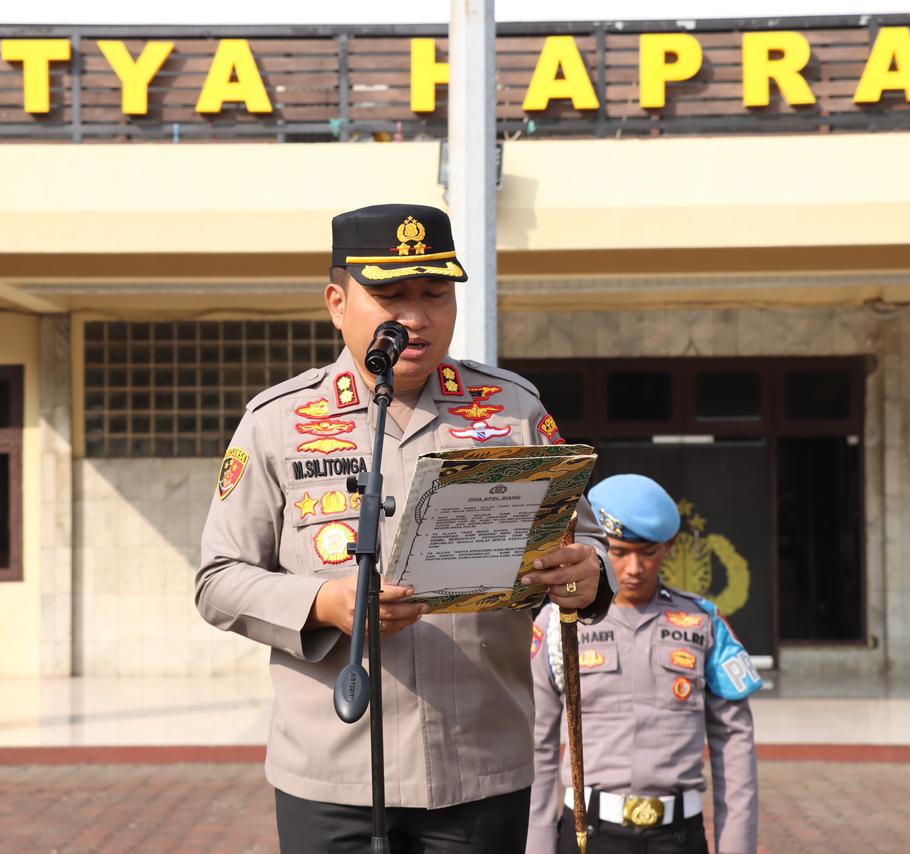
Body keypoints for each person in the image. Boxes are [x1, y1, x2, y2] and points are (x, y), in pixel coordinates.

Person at [195, 203, 615, 853]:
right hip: (332, 772)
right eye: (391, 297)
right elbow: (219, 580)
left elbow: (584, 541)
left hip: (478, 768)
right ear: (338, 303)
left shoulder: (511, 409)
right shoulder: (277, 422)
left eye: (435, 295)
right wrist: (325, 603)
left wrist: (590, 572)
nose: (416, 317)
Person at [527, 474, 761, 854]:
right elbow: (537, 745)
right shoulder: (558, 623)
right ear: (594, 547)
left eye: (648, 552)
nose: (634, 568)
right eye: (619, 552)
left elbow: (735, 744)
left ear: (671, 546)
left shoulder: (703, 623)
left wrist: (737, 846)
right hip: (589, 833)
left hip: (678, 837)